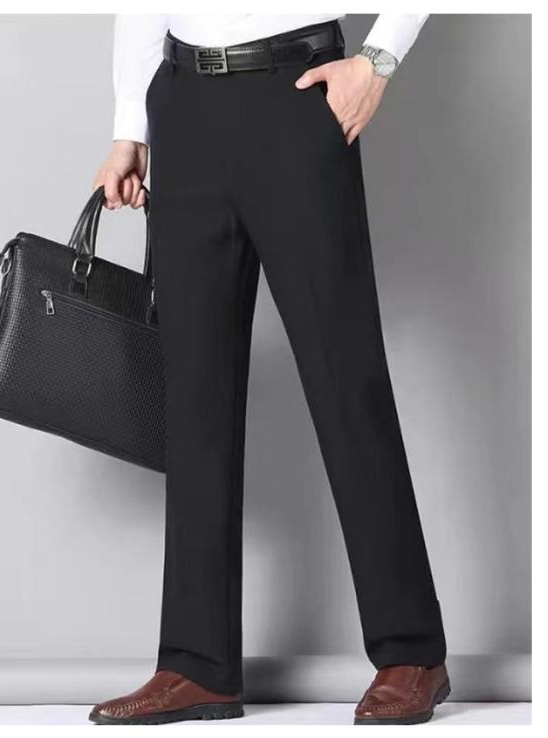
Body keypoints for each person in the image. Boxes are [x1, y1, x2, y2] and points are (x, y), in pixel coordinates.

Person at [89, 13, 449, 726]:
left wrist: (376, 61)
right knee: (194, 395)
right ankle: (197, 664)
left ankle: (413, 653)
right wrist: (130, 125)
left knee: (346, 379)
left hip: (296, 95)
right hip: (183, 103)